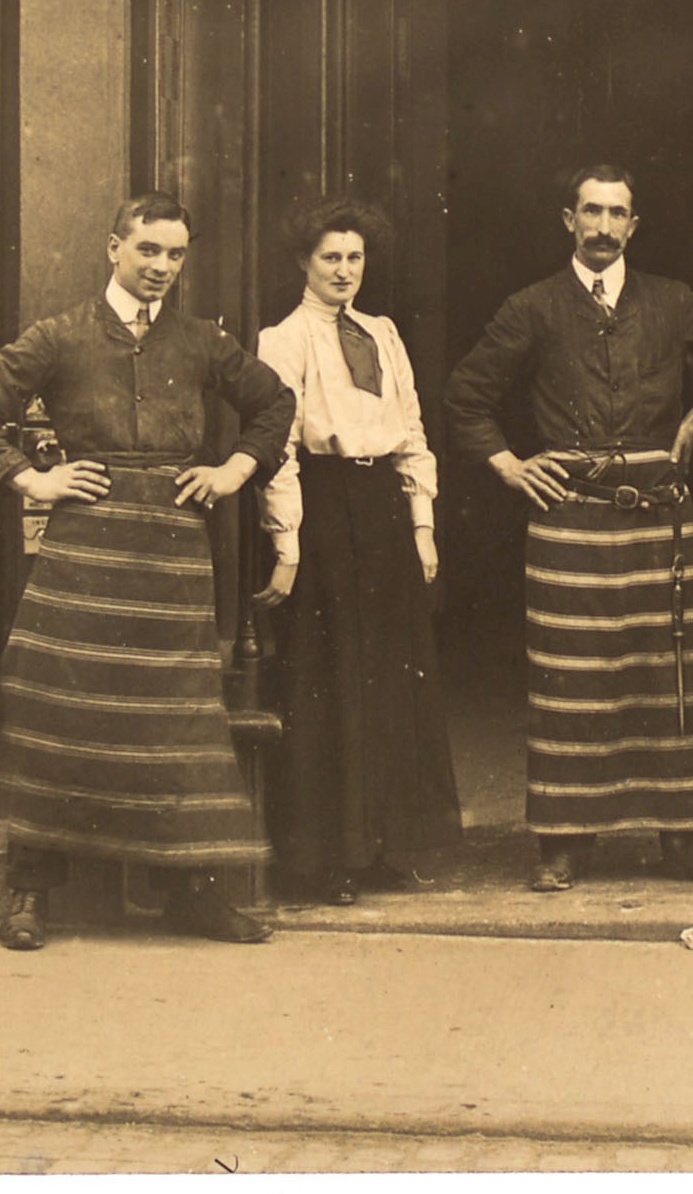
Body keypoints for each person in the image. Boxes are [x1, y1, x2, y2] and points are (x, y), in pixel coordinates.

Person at [0, 193, 295, 951]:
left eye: (174, 255)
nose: (161, 268)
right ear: (113, 248)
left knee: (177, 724)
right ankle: (31, 893)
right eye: (148, 251)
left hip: (171, 554)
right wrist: (31, 480)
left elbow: (275, 402)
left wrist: (235, 467)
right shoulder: (60, 336)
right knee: (58, 713)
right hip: (86, 553)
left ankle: (189, 894)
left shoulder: (201, 342)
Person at [440, 165, 693, 893]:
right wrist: (508, 465)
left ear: (634, 224)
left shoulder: (673, 302)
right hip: (568, 523)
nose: (602, 225)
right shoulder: (530, 307)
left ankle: (691, 842)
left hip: (659, 520)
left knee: (671, 680)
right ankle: (564, 845)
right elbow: (465, 397)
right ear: (568, 220)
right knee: (573, 683)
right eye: (589, 211)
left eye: (616, 213)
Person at [254, 196, 463, 906]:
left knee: (388, 679)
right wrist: (287, 547)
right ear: (302, 264)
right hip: (325, 509)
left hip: (383, 515)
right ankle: (325, 859)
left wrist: (423, 526)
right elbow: (278, 450)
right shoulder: (283, 340)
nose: (345, 271)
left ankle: (381, 845)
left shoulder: (383, 332)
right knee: (331, 681)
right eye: (330, 258)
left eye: (355, 257)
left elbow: (411, 427)